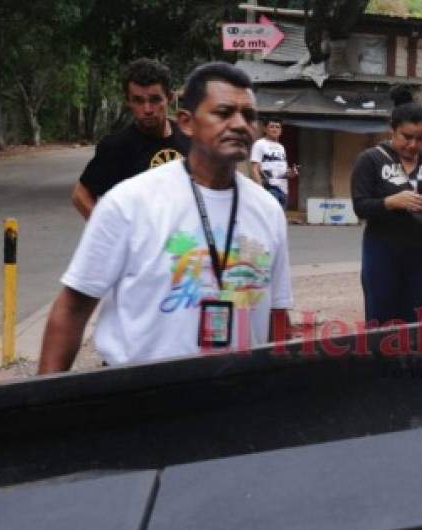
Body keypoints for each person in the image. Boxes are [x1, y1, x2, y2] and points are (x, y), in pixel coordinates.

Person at [38, 62, 292, 373]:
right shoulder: (127, 203)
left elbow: (278, 315)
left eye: (249, 116)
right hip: (141, 399)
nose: (240, 124)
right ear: (187, 122)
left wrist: (280, 390)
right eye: (223, 113)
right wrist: (40, 409)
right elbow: (72, 309)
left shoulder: (268, 210)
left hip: (235, 399)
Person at [350, 85, 422, 324]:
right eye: (407, 137)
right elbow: (360, 206)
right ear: (393, 130)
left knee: (412, 323)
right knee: (380, 323)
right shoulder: (371, 160)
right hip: (382, 252)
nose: (414, 145)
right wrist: (390, 202)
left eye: (420, 138)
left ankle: (406, 362)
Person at [71, 58, 190, 219]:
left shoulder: (191, 137)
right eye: (138, 101)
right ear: (128, 101)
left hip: (187, 241)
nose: (147, 109)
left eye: (155, 100)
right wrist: (110, 233)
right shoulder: (116, 146)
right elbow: (81, 195)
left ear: (169, 98)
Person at [250, 118, 298, 209]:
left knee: (278, 220)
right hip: (269, 188)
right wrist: (260, 189)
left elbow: (283, 172)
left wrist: (291, 172)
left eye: (277, 127)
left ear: (281, 130)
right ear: (265, 129)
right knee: (269, 219)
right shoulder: (260, 144)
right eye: (271, 127)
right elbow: (254, 169)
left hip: (283, 190)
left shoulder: (281, 147)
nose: (275, 129)